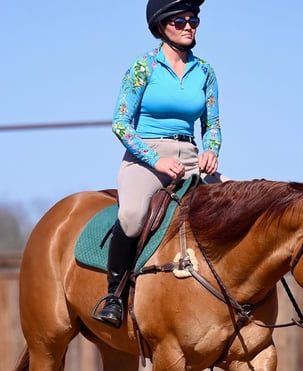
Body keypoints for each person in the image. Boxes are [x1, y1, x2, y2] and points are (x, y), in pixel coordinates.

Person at [94, 0, 223, 328]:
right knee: (133, 215)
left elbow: (213, 124)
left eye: (193, 19)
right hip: (145, 157)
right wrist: (157, 161)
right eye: (179, 20)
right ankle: (114, 295)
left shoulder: (205, 72)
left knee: (231, 207)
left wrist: (212, 150)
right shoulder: (143, 68)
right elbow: (120, 124)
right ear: (161, 26)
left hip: (192, 156)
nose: (188, 25)